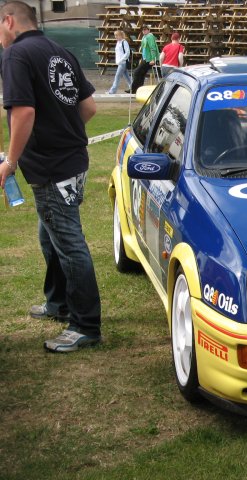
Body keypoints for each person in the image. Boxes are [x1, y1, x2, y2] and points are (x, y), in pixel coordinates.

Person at [0, 1, 102, 352]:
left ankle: (85, 325)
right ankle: (58, 303)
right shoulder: (61, 51)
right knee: (51, 235)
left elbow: (23, 111)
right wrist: (65, 132)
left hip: (51, 167)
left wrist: (10, 162)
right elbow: (88, 107)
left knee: (69, 242)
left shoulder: (16, 55)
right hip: (73, 161)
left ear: (9, 21)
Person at [129, 25, 159, 94]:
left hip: (149, 59)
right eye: (143, 30)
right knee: (141, 74)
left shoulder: (149, 36)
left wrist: (153, 59)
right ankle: (138, 90)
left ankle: (133, 89)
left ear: (148, 30)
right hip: (145, 58)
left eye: (145, 29)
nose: (144, 31)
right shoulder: (144, 37)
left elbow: (152, 48)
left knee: (136, 72)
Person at [107, 30, 132, 94]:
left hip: (123, 63)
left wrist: (121, 60)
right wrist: (117, 61)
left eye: (117, 35)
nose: (115, 36)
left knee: (117, 76)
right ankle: (133, 87)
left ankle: (112, 91)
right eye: (115, 35)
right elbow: (118, 53)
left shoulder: (124, 42)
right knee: (127, 76)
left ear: (120, 35)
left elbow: (127, 52)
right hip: (120, 62)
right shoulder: (118, 42)